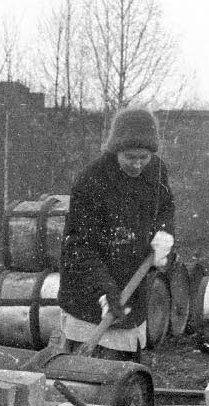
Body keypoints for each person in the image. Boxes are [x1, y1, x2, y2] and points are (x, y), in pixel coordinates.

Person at [57, 107, 175, 361]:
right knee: (87, 370)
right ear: (115, 150)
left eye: (144, 157)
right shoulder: (92, 180)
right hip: (89, 292)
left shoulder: (156, 171)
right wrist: (104, 290)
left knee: (128, 370)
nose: (138, 164)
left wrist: (164, 234)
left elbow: (165, 208)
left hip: (132, 284)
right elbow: (79, 246)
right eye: (130, 157)